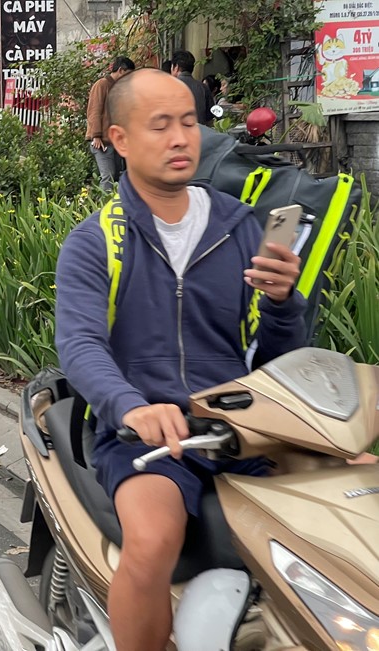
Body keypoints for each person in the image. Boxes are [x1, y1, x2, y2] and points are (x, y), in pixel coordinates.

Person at [55, 69, 306, 651]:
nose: (180, 138)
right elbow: (81, 345)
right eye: (160, 125)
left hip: (242, 427)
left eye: (190, 122)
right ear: (119, 139)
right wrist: (130, 408)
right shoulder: (96, 242)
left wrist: (282, 303)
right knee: (153, 540)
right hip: (148, 438)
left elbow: (278, 360)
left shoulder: (240, 227)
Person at [85, 56, 135, 192]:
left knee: (117, 177)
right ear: (120, 70)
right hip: (102, 141)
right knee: (108, 177)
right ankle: (103, 208)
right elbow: (94, 111)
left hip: (115, 140)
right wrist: (96, 135)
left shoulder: (120, 88)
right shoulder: (101, 84)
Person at [171, 50, 214, 125]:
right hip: (201, 134)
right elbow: (210, 117)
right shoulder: (204, 88)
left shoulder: (167, 87)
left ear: (176, 67)